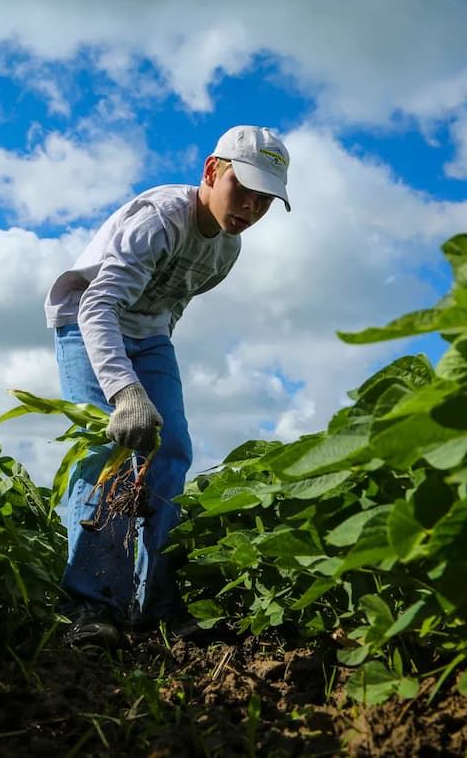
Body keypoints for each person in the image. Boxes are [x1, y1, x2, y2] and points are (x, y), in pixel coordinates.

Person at [43, 125, 292, 647]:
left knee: (171, 450)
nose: (248, 207)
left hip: (151, 334)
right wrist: (125, 391)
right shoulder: (158, 220)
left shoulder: (228, 251)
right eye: (241, 189)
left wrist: (150, 369)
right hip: (86, 322)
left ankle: (159, 603)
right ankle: (92, 607)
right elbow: (98, 304)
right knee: (103, 453)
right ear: (211, 171)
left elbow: (173, 303)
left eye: (264, 200)